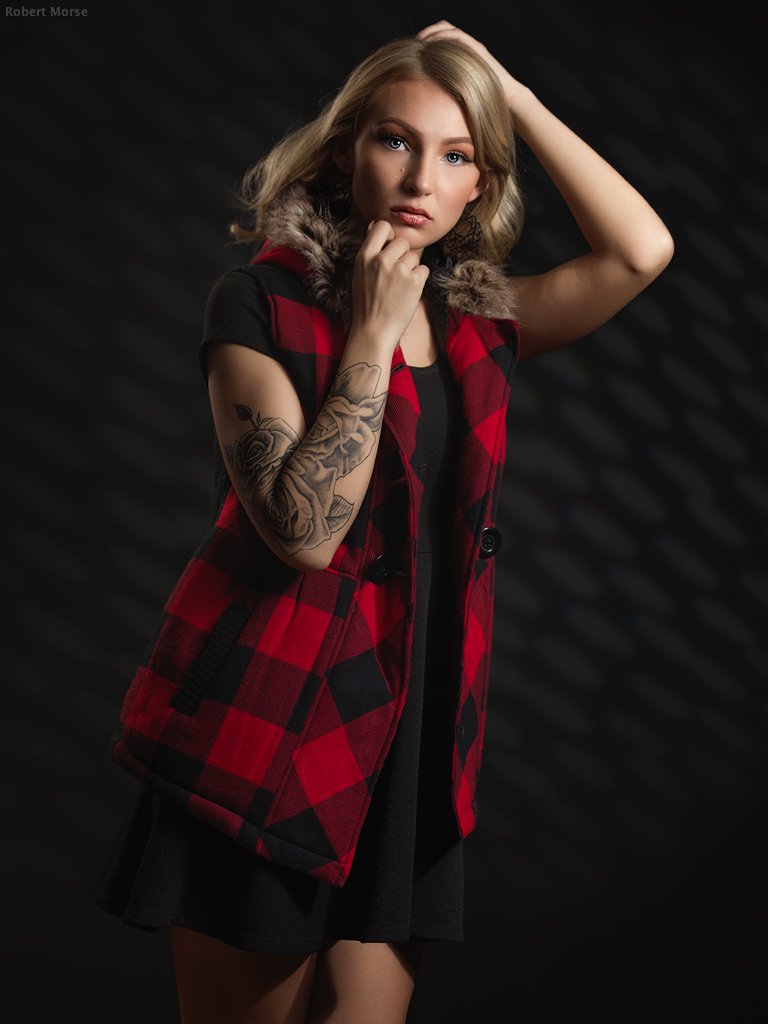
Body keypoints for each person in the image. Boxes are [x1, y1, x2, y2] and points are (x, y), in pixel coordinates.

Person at [92, 20, 674, 1024]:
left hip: (410, 733)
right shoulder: (258, 303)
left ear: (480, 185)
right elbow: (303, 531)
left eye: (457, 156)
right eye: (396, 140)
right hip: (274, 723)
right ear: (345, 149)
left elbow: (640, 251)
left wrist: (510, 95)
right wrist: (369, 333)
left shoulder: (473, 321)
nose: (419, 178)